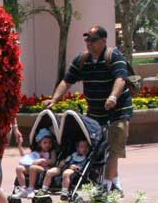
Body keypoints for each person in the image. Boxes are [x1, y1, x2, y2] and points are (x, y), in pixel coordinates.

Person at [43, 26, 132, 191]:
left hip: (118, 111)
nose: (89, 43)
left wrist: (113, 97)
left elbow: (121, 79)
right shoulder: (82, 59)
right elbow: (67, 81)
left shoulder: (114, 56)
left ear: (103, 41)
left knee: (112, 149)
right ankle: (114, 182)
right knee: (98, 150)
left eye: (93, 40)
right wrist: (54, 99)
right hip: (95, 112)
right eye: (87, 40)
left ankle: (105, 187)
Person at [13, 128, 56, 199]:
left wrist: (42, 160)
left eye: (50, 142)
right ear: (39, 144)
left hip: (44, 169)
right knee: (19, 168)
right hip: (32, 168)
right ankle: (23, 189)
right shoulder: (36, 152)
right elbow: (25, 157)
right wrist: (20, 145)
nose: (48, 144)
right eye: (45, 143)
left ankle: (31, 188)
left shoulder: (51, 152)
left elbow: (53, 161)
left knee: (33, 167)